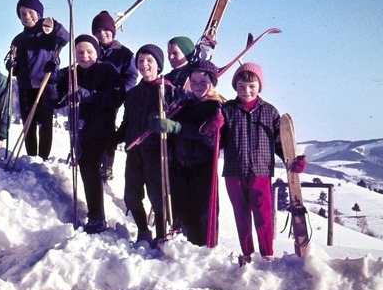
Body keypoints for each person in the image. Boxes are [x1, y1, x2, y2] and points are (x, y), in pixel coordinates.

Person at [218, 62, 304, 263]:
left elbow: (280, 142)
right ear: (235, 86)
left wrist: (292, 160)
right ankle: (247, 253)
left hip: (261, 171)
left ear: (259, 86)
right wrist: (214, 128)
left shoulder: (269, 111)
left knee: (263, 215)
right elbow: (218, 142)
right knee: (241, 215)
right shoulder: (227, 110)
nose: (246, 91)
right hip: (234, 171)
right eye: (241, 87)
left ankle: (267, 254)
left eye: (252, 86)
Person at [150, 59, 225, 246]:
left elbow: (206, 135)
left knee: (202, 211)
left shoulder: (216, 106)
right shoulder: (185, 103)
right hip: (180, 163)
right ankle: (185, 247)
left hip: (202, 167)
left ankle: (205, 247)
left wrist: (178, 127)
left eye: (203, 82)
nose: (198, 86)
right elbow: (171, 124)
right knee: (183, 209)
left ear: (213, 82)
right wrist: (159, 120)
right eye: (194, 82)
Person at [57, 34, 124, 233]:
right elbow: (55, 100)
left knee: (90, 167)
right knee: (87, 169)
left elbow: (117, 97)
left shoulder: (107, 69)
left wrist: (89, 96)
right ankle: (95, 215)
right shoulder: (71, 73)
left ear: (97, 52)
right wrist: (52, 77)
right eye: (79, 52)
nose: (84, 56)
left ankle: (97, 217)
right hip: (80, 131)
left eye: (89, 51)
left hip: (101, 130)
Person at [117, 44, 179, 246]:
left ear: (158, 65)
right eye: (141, 60)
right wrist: (114, 138)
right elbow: (126, 122)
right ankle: (143, 230)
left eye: (149, 61)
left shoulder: (167, 90)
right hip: (134, 151)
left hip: (157, 153)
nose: (144, 64)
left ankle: (161, 235)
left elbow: (174, 121)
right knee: (131, 195)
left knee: (158, 197)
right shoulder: (133, 94)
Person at [10, 0, 69, 160]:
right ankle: (30, 157)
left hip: (46, 84)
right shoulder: (18, 39)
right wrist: (11, 65)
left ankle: (43, 159)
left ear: (39, 14)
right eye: (23, 13)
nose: (27, 16)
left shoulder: (48, 33)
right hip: (26, 86)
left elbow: (65, 37)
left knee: (45, 124)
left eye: (31, 12)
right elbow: (13, 62)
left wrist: (53, 25)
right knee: (28, 124)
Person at [91, 11, 138, 182]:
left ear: (112, 31)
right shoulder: (92, 50)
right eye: (97, 31)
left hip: (110, 100)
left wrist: (120, 93)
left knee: (107, 131)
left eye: (105, 30)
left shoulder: (124, 53)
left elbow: (132, 76)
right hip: (91, 97)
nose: (102, 34)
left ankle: (107, 165)